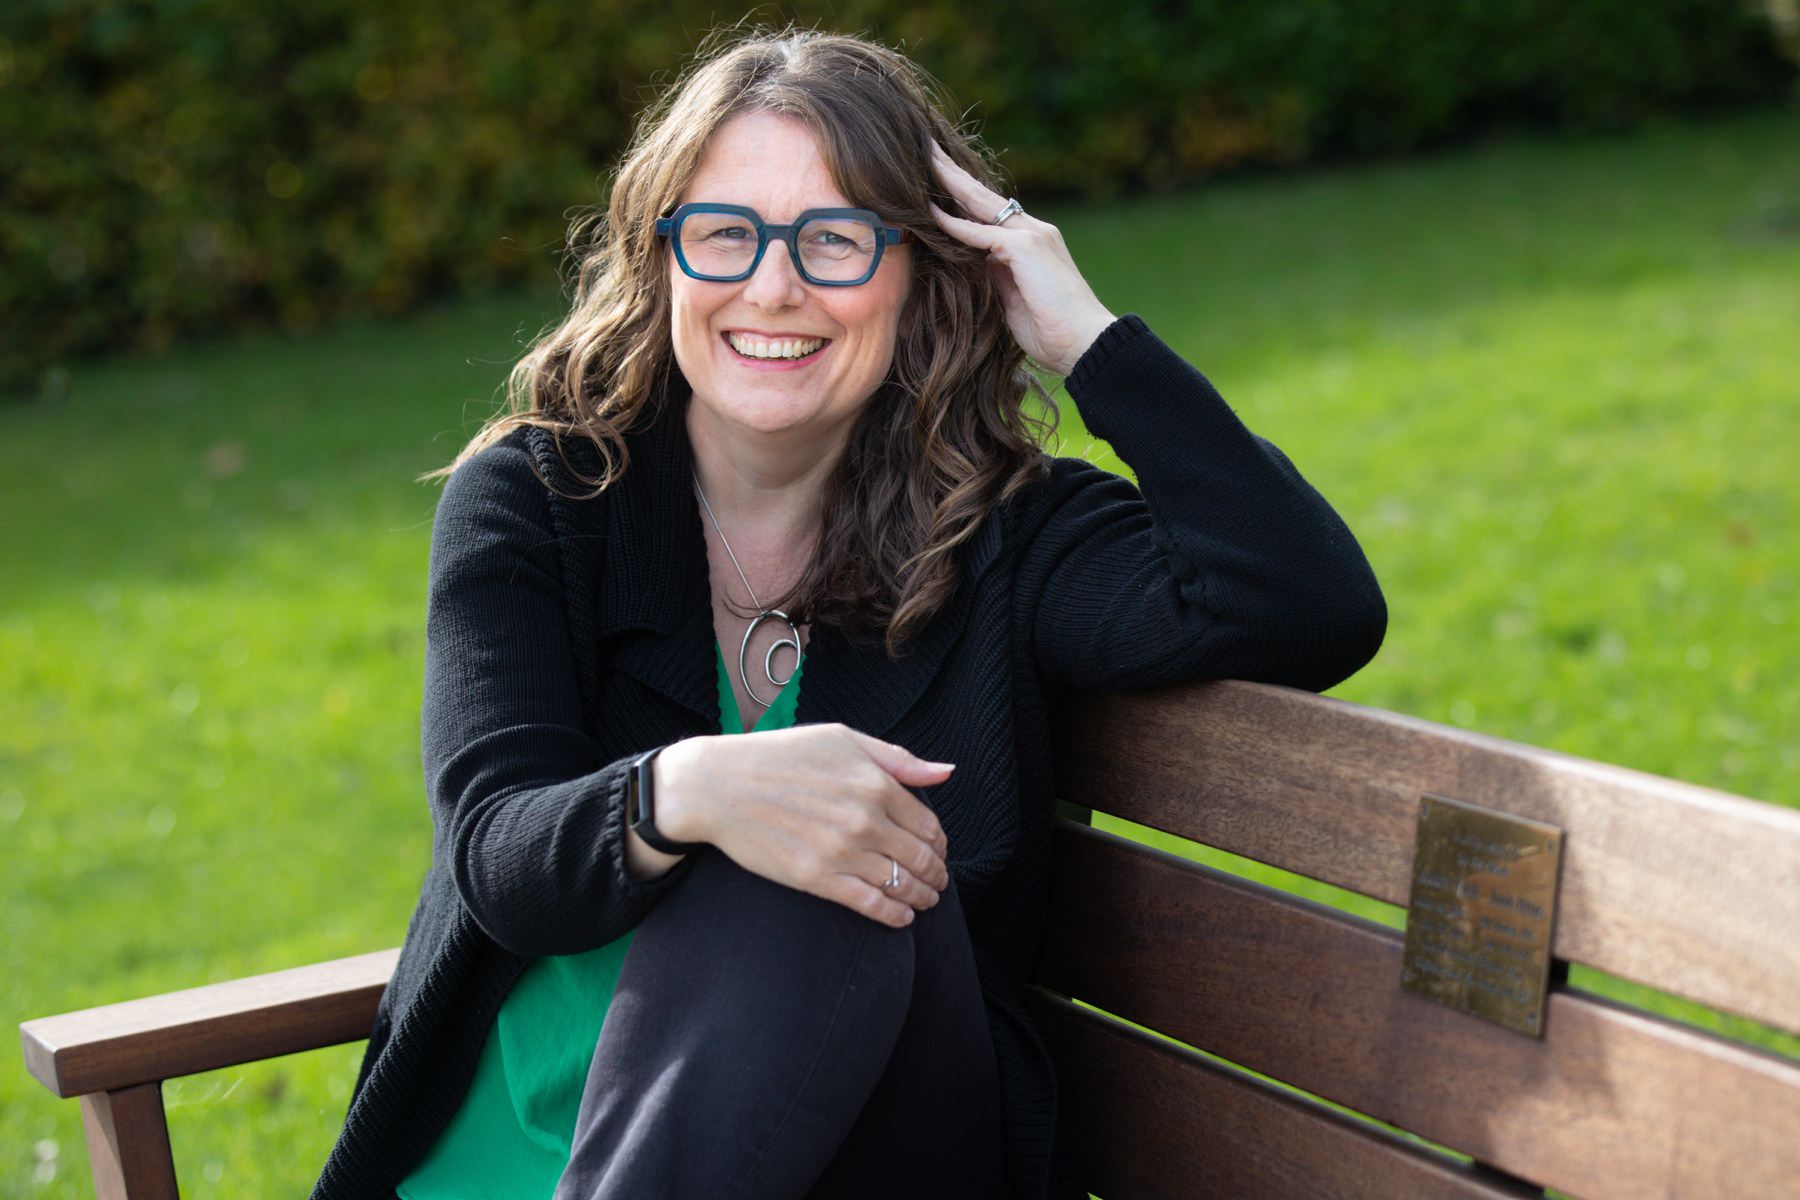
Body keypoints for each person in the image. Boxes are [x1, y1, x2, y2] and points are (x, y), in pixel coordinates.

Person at [309, 26, 1386, 1200]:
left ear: (923, 270)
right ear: (661, 255)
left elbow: (1310, 604)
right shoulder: (542, 499)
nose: (772, 286)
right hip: (499, 1165)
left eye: (835, 240)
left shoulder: (1001, 534)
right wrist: (694, 792)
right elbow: (501, 855)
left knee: (827, 841)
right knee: (782, 811)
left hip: (866, 1153)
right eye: (725, 233)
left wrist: (1089, 340)